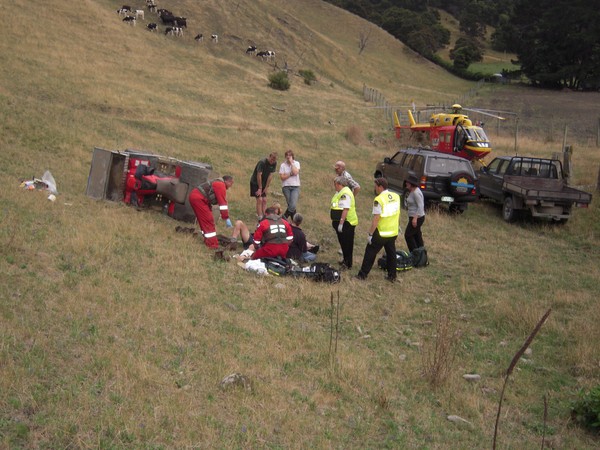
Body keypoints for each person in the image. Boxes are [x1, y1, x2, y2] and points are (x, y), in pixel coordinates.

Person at [355, 177, 401, 282]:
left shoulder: (378, 200)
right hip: (393, 231)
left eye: (375, 186)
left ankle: (362, 275)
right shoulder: (396, 196)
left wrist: (370, 234)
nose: (374, 188)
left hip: (381, 232)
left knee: (370, 252)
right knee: (391, 254)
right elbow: (397, 213)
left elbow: (376, 218)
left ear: (380, 187)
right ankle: (392, 276)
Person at [189, 175, 234, 249]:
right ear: (227, 181)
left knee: (204, 220)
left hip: (197, 198)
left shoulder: (217, 183)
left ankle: (207, 239)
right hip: (199, 199)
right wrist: (226, 217)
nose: (231, 186)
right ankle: (212, 245)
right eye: (231, 183)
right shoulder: (220, 185)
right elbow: (222, 203)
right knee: (208, 221)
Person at [330, 176, 357, 270]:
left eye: (335, 184)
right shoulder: (340, 192)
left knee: (347, 244)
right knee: (343, 242)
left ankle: (348, 263)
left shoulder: (345, 193)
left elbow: (345, 209)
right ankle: (345, 260)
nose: (334, 186)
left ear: (339, 184)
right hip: (342, 221)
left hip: (347, 222)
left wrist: (341, 223)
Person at [250, 152, 277, 220]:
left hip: (264, 183)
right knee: (260, 199)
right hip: (255, 183)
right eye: (271, 160)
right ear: (269, 156)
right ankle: (260, 217)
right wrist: (260, 188)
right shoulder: (262, 162)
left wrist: (266, 187)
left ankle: (266, 216)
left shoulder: (274, 163)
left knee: (264, 200)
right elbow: (259, 175)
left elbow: (270, 175)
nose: (272, 162)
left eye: (274, 160)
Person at [404, 173, 426, 252]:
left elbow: (421, 206)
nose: (406, 183)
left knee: (408, 235)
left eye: (408, 182)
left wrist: (415, 218)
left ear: (411, 184)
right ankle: (421, 253)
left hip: (417, 218)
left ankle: (414, 253)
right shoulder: (412, 191)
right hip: (414, 217)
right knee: (417, 235)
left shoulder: (416, 193)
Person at [279, 149, 301, 220]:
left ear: (292, 156)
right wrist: (290, 174)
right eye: (287, 155)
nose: (288, 157)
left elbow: (295, 172)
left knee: (293, 204)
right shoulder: (283, 165)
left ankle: (284, 217)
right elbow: (282, 177)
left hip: (295, 187)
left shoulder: (296, 163)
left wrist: (291, 163)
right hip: (286, 187)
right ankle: (294, 222)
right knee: (291, 205)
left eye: (290, 155)